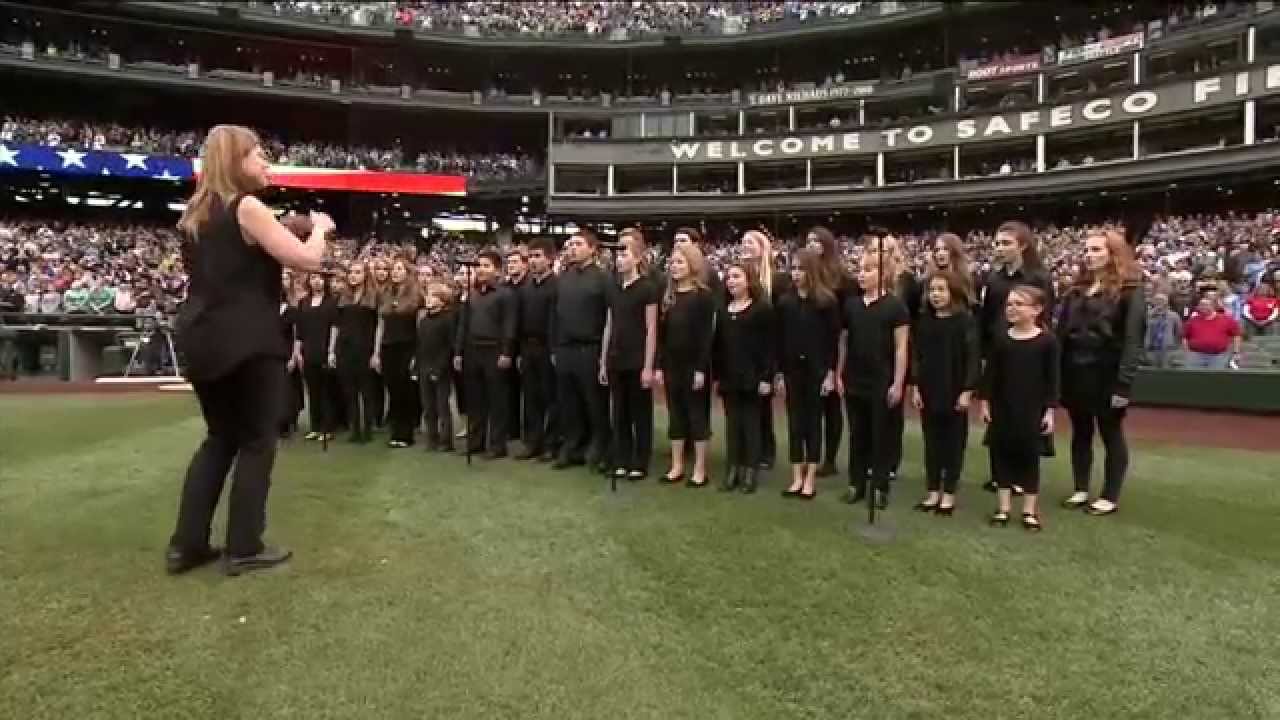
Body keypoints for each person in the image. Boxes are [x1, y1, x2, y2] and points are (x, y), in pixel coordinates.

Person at [168, 124, 332, 576]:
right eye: (259, 155)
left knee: (219, 438)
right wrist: (319, 229)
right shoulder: (246, 206)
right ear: (236, 161)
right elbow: (306, 260)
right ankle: (244, 545)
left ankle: (186, 546)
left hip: (202, 334)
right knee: (259, 439)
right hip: (248, 338)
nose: (266, 163)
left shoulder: (194, 213)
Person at [1057, 229, 1146, 517]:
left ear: (1113, 253)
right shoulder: (1075, 291)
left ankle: (1110, 495)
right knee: (1080, 432)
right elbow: (1062, 334)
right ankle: (1081, 488)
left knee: (1110, 434)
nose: (1090, 255)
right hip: (1075, 372)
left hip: (1107, 373)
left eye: (1097, 249)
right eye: (1088, 250)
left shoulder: (1130, 291)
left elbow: (1133, 341)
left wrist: (1123, 384)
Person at [978, 220, 1055, 493]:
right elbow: (985, 320)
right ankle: (1000, 476)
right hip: (1000, 352)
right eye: (997, 243)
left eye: (1006, 243)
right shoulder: (993, 279)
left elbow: (1046, 319)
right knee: (998, 417)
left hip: (1029, 354)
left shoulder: (1039, 278)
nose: (1000, 248)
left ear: (1022, 245)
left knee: (1026, 417)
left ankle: (1023, 479)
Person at [979, 285, 1059, 532]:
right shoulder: (1001, 339)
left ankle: (1028, 509)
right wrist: (985, 402)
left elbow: (1053, 379)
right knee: (1001, 456)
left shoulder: (1047, 342)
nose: (1012, 309)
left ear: (1037, 310)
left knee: (1029, 458)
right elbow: (990, 375)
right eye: (1009, 304)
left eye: (1019, 304)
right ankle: (1003, 507)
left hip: (1032, 409)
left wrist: (1049, 410)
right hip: (1003, 407)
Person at [836, 251, 909, 509]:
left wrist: (898, 382)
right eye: (860, 269)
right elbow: (843, 341)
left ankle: (879, 487)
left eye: (868, 270)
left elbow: (901, 347)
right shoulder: (852, 306)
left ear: (883, 274)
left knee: (881, 435)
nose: (862, 275)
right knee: (858, 435)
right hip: (855, 378)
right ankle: (856, 484)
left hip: (882, 379)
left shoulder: (895, 306)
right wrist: (839, 373)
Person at [909, 270, 980, 516]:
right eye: (932, 290)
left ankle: (948, 494)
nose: (935, 295)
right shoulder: (924, 321)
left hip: (954, 389)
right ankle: (932, 492)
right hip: (929, 389)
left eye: (941, 290)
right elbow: (917, 356)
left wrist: (967, 390)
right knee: (931, 443)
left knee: (953, 444)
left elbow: (973, 358)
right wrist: (916, 386)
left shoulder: (965, 321)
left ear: (953, 292)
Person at [776, 248, 840, 500]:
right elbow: (779, 340)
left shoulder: (826, 302)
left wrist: (830, 373)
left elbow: (833, 341)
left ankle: (810, 478)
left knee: (813, 424)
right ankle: (796, 477)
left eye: (801, 269)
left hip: (817, 370)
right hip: (793, 370)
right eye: (793, 268)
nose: (796, 274)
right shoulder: (785, 302)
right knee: (794, 423)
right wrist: (779, 372)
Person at [551, 230, 611, 472]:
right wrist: (555, 346)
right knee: (569, 402)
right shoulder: (564, 277)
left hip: (590, 348)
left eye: (578, 244)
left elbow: (609, 316)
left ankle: (599, 445)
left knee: (594, 402)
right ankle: (572, 446)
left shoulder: (603, 278)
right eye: (570, 244)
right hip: (565, 348)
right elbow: (554, 314)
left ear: (592, 248)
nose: (572, 248)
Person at [600, 229, 658, 480]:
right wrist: (603, 361)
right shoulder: (613, 289)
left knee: (640, 413)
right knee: (619, 413)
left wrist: (648, 366)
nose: (619, 259)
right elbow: (609, 325)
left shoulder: (647, 288)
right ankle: (621, 458)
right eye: (618, 255)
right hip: (616, 358)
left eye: (625, 254)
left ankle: (640, 460)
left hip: (637, 360)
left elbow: (651, 328)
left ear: (637, 258)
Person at [657, 242, 715, 487]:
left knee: (697, 416)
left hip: (695, 366)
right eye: (672, 262)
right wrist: (660, 366)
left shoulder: (703, 296)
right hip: (672, 364)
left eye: (680, 262)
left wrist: (701, 369)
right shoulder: (668, 297)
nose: (674, 266)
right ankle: (677, 465)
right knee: (676, 415)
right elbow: (662, 335)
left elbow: (706, 336)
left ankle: (700, 469)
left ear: (692, 265)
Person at [715, 262, 775, 493]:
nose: (731, 281)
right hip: (729, 377)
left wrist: (766, 377)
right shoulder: (723, 309)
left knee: (751, 426)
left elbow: (769, 347)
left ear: (749, 281)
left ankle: (750, 471)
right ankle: (733, 469)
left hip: (753, 377)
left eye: (737, 277)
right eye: (729, 277)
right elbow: (718, 347)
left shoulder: (762, 310)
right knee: (732, 425)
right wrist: (718, 376)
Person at [453, 249, 517, 458]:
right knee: (475, 399)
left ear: (498, 271)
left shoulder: (505, 294)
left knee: (497, 399)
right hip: (472, 350)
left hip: (494, 350)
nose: (481, 270)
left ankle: (497, 445)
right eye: (479, 265)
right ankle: (475, 442)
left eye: (486, 266)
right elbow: (463, 324)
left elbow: (509, 325)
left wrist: (507, 352)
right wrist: (458, 352)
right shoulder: (471, 295)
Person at [739, 229, 791, 471]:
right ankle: (746, 448)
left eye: (751, 242)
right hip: (743, 348)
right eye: (743, 242)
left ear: (763, 248)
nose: (746, 246)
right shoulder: (737, 276)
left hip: (768, 348)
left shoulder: (778, 281)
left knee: (763, 402)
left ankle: (765, 451)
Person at [803, 226, 852, 478]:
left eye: (817, 241)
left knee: (832, 407)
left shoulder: (841, 277)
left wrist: (838, 366)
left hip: (835, 343)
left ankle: (830, 459)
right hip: (810, 346)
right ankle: (810, 455)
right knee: (811, 408)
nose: (812, 245)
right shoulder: (804, 274)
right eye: (808, 241)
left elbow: (845, 323)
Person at [516, 238, 559, 461]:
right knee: (530, 398)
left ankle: (552, 444)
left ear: (550, 259)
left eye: (538, 256)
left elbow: (557, 321)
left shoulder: (556, 286)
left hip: (548, 348)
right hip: (528, 347)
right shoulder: (526, 288)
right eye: (530, 257)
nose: (533, 261)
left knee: (550, 397)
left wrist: (554, 351)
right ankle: (532, 442)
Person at [373, 258, 420, 448]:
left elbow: (419, 327)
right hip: (388, 347)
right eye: (394, 269)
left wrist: (417, 355)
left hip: (407, 346)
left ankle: (406, 434)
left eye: (399, 269)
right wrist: (376, 352)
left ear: (407, 272)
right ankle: (395, 432)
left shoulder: (416, 296)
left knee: (405, 391)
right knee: (393, 390)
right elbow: (380, 325)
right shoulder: (385, 294)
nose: (395, 272)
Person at [334, 262, 379, 444]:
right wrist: (333, 350)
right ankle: (355, 429)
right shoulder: (343, 298)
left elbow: (378, 326)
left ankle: (368, 428)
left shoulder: (372, 297)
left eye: (357, 272)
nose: (353, 275)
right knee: (349, 392)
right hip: (345, 348)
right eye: (351, 272)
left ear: (365, 275)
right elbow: (337, 325)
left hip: (365, 348)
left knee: (366, 392)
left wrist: (375, 352)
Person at [294, 272, 338, 442]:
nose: (316, 281)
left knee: (326, 391)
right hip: (308, 351)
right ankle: (315, 426)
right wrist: (298, 351)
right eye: (313, 278)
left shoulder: (331, 302)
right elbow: (300, 330)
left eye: (319, 278)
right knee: (313, 391)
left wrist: (331, 351)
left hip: (324, 350)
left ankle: (328, 428)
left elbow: (335, 327)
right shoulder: (303, 302)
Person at [417, 282, 458, 452]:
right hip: (424, 367)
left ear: (442, 301)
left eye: (433, 296)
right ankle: (431, 438)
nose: (428, 299)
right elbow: (420, 345)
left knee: (442, 406)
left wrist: (439, 369)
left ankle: (446, 441)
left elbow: (449, 347)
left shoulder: (447, 319)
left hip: (440, 368)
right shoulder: (424, 320)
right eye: (427, 295)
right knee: (428, 406)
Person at [504, 248, 529, 441]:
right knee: (508, 388)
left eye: (515, 262)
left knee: (528, 391)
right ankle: (511, 428)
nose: (511, 266)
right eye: (509, 263)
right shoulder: (504, 287)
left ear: (524, 264)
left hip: (526, 342)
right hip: (507, 343)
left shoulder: (528, 287)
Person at [1183, 293, 1242, 369]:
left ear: (1213, 306)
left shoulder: (1227, 319)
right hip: (1195, 355)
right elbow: (1184, 337)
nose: (1202, 307)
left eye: (1206, 305)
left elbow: (1236, 335)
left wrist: (1236, 352)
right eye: (1201, 305)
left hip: (1218, 356)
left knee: (1216, 379)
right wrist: (1187, 352)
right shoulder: (1192, 320)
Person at [1143, 293, 1182, 369]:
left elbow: (1178, 332)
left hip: (1168, 350)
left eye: (1161, 300)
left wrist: (1174, 345)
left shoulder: (1174, 316)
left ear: (1166, 302)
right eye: (1156, 300)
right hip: (1152, 349)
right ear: (1153, 302)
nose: (1159, 302)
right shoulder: (1148, 315)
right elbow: (1144, 329)